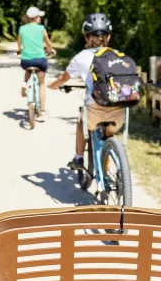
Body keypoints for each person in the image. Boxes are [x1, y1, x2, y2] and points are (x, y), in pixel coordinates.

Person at [48, 12, 125, 170]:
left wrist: (52, 85)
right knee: (109, 129)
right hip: (120, 112)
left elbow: (64, 77)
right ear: (108, 37)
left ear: (86, 37)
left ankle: (78, 158)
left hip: (95, 111)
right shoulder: (118, 55)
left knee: (81, 120)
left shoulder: (82, 57)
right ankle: (110, 161)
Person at [17, 6, 54, 121]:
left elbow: (19, 44)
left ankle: (25, 83)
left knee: (27, 69)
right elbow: (48, 43)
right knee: (41, 84)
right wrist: (51, 50)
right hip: (40, 60)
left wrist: (19, 50)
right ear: (36, 18)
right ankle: (42, 111)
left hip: (26, 60)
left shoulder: (22, 29)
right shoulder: (41, 28)